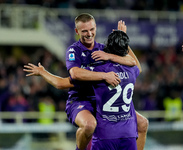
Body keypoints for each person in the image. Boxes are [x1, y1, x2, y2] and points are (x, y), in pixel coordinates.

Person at [24, 13, 148, 150]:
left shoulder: (103, 49)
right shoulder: (74, 50)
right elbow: (74, 74)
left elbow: (133, 64)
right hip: (80, 100)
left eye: (92, 29)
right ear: (77, 32)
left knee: (142, 123)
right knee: (89, 125)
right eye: (84, 31)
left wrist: (121, 42)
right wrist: (104, 76)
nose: (89, 34)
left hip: (102, 100)